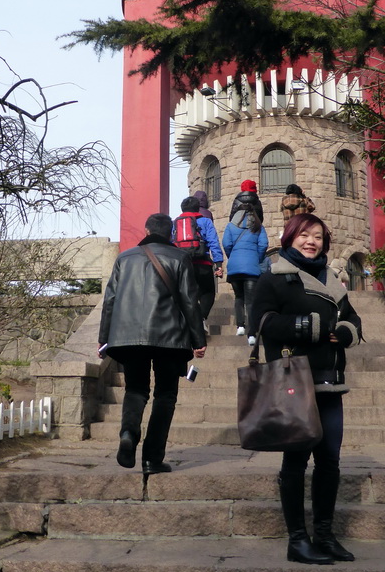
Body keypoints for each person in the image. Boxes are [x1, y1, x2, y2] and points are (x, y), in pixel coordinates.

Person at [250, 213, 362, 565]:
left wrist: (345, 331)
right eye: (304, 235)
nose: (311, 241)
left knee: (330, 461)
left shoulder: (332, 279)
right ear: (290, 237)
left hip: (330, 381)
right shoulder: (273, 277)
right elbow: (261, 322)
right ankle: (297, 540)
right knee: (296, 460)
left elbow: (353, 319)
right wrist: (310, 327)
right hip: (293, 381)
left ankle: (325, 536)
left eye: (317, 236)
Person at [98, 213, 206, 474]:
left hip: (128, 336)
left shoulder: (124, 258)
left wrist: (104, 339)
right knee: (165, 395)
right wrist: (198, 340)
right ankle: (152, 459)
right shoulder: (180, 258)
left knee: (135, 390)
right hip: (169, 337)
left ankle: (128, 433)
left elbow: (110, 300)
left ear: (146, 230)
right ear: (171, 234)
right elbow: (190, 302)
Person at [172, 196, 223, 333]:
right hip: (203, 264)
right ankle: (201, 318)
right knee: (208, 292)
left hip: (182, 265)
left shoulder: (175, 222)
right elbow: (213, 243)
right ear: (198, 208)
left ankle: (187, 322)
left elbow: (171, 244)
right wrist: (218, 263)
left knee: (187, 293)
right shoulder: (205, 221)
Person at [222, 201, 268, 344]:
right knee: (251, 300)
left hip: (235, 267)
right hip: (251, 268)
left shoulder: (230, 226)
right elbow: (263, 244)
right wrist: (257, 258)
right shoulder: (258, 226)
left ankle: (240, 326)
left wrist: (233, 256)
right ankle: (252, 334)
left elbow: (226, 244)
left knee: (238, 297)